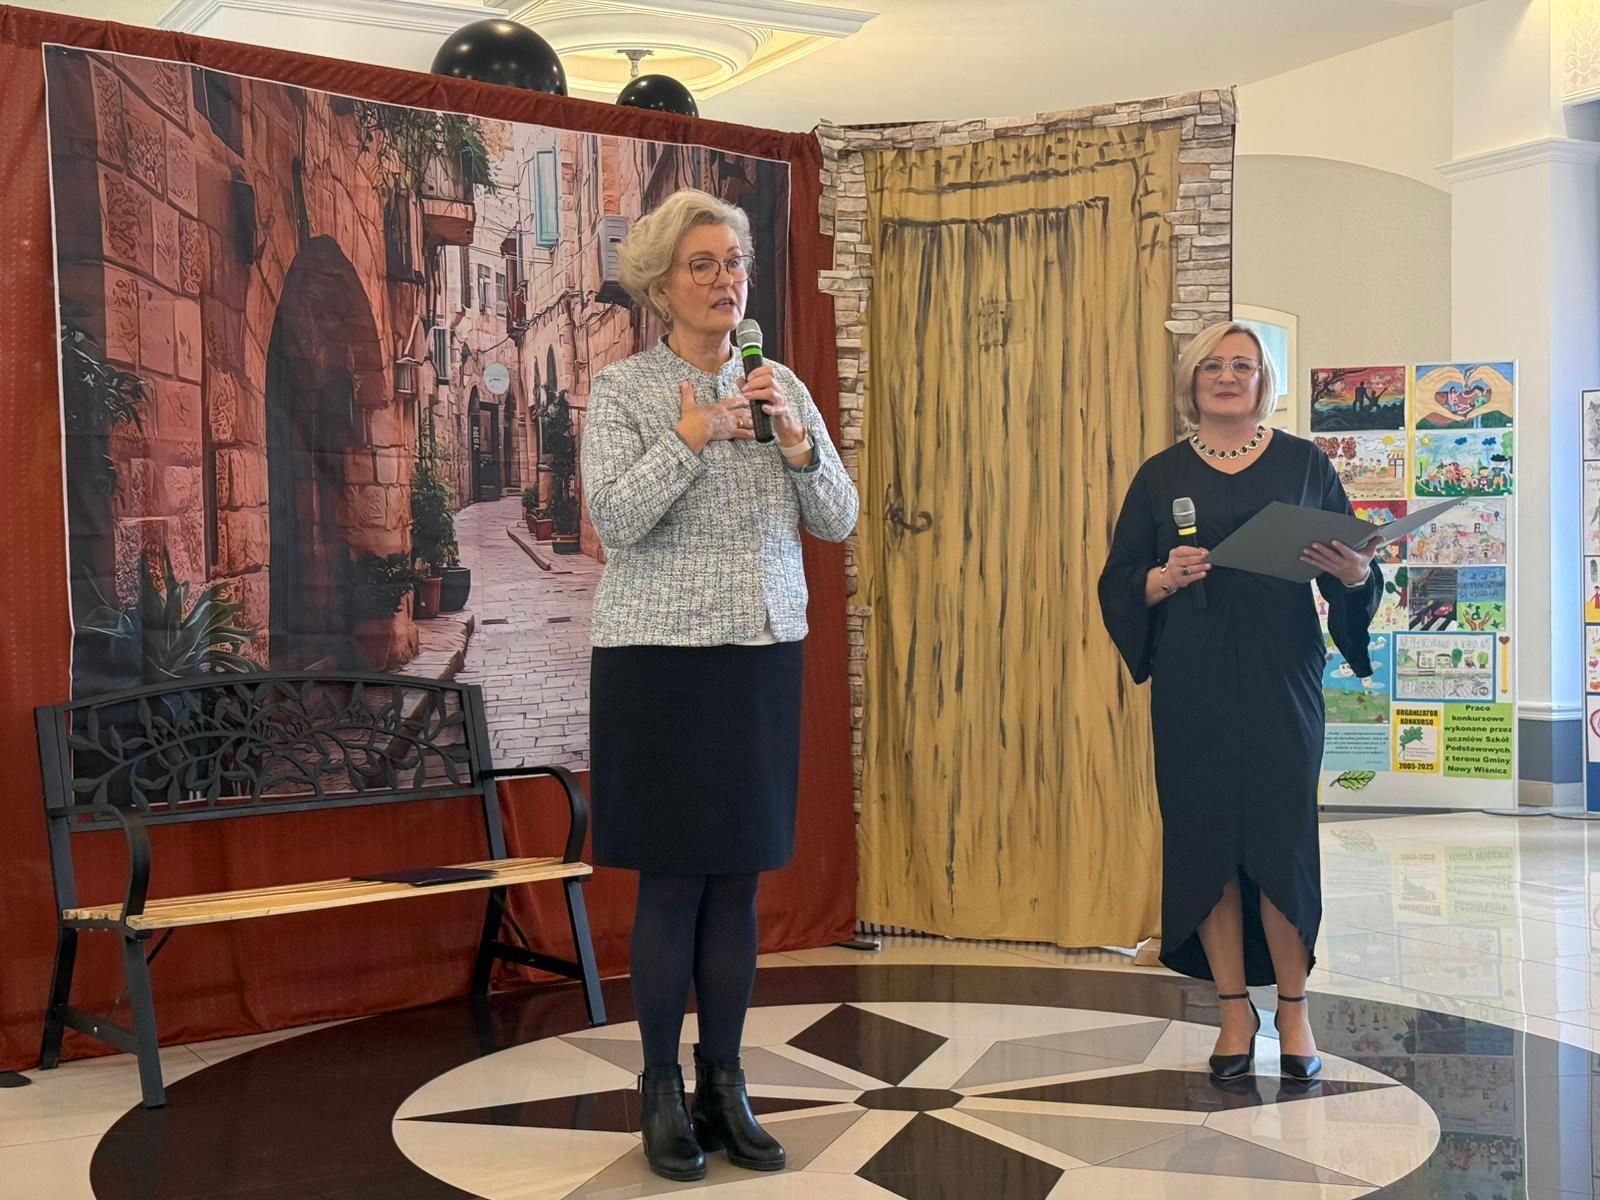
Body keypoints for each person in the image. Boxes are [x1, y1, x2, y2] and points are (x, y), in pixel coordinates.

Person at [580, 188, 858, 1181]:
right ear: (661, 286)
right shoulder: (625, 391)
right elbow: (615, 520)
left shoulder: (779, 383)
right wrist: (691, 436)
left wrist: (796, 443)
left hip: (759, 654)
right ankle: (659, 1089)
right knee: (674, 879)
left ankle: (725, 1085)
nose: (724, 281)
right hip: (659, 661)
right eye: (702, 265)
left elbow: (836, 518)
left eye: (733, 264)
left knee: (737, 879)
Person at [1097, 321, 1381, 1084]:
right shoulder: (1160, 475)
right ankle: (1232, 1010)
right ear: (1192, 382)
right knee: (1206, 840)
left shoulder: (1304, 462)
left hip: (1283, 673)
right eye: (1213, 366)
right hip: (1192, 678)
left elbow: (1353, 566)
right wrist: (1162, 579)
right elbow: (1119, 578)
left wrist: (1355, 576)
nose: (1227, 377)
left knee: (1283, 840)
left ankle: (1293, 1008)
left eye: (1243, 366)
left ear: (1263, 382)